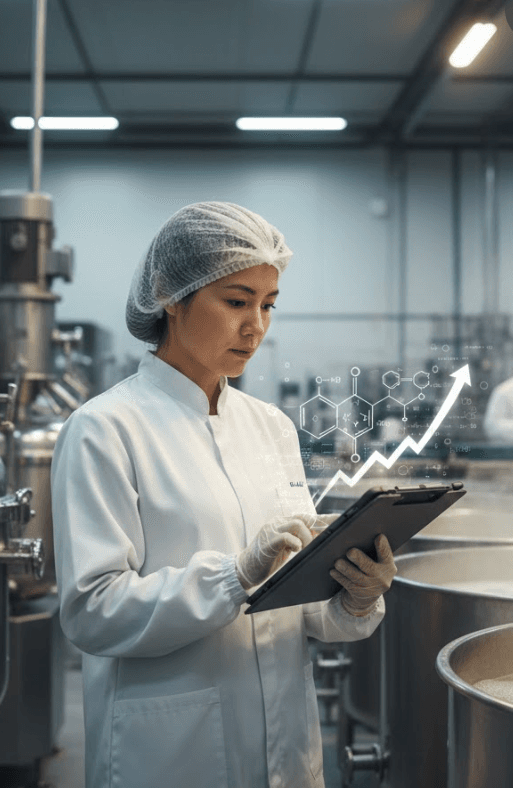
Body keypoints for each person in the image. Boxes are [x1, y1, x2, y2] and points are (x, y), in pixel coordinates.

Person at [51, 202, 397, 788]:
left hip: (286, 745)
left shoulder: (272, 427)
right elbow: (92, 612)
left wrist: (351, 598)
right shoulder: (105, 429)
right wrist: (233, 576)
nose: (256, 325)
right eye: (236, 301)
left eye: (267, 304)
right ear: (169, 293)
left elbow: (296, 604)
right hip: (171, 751)